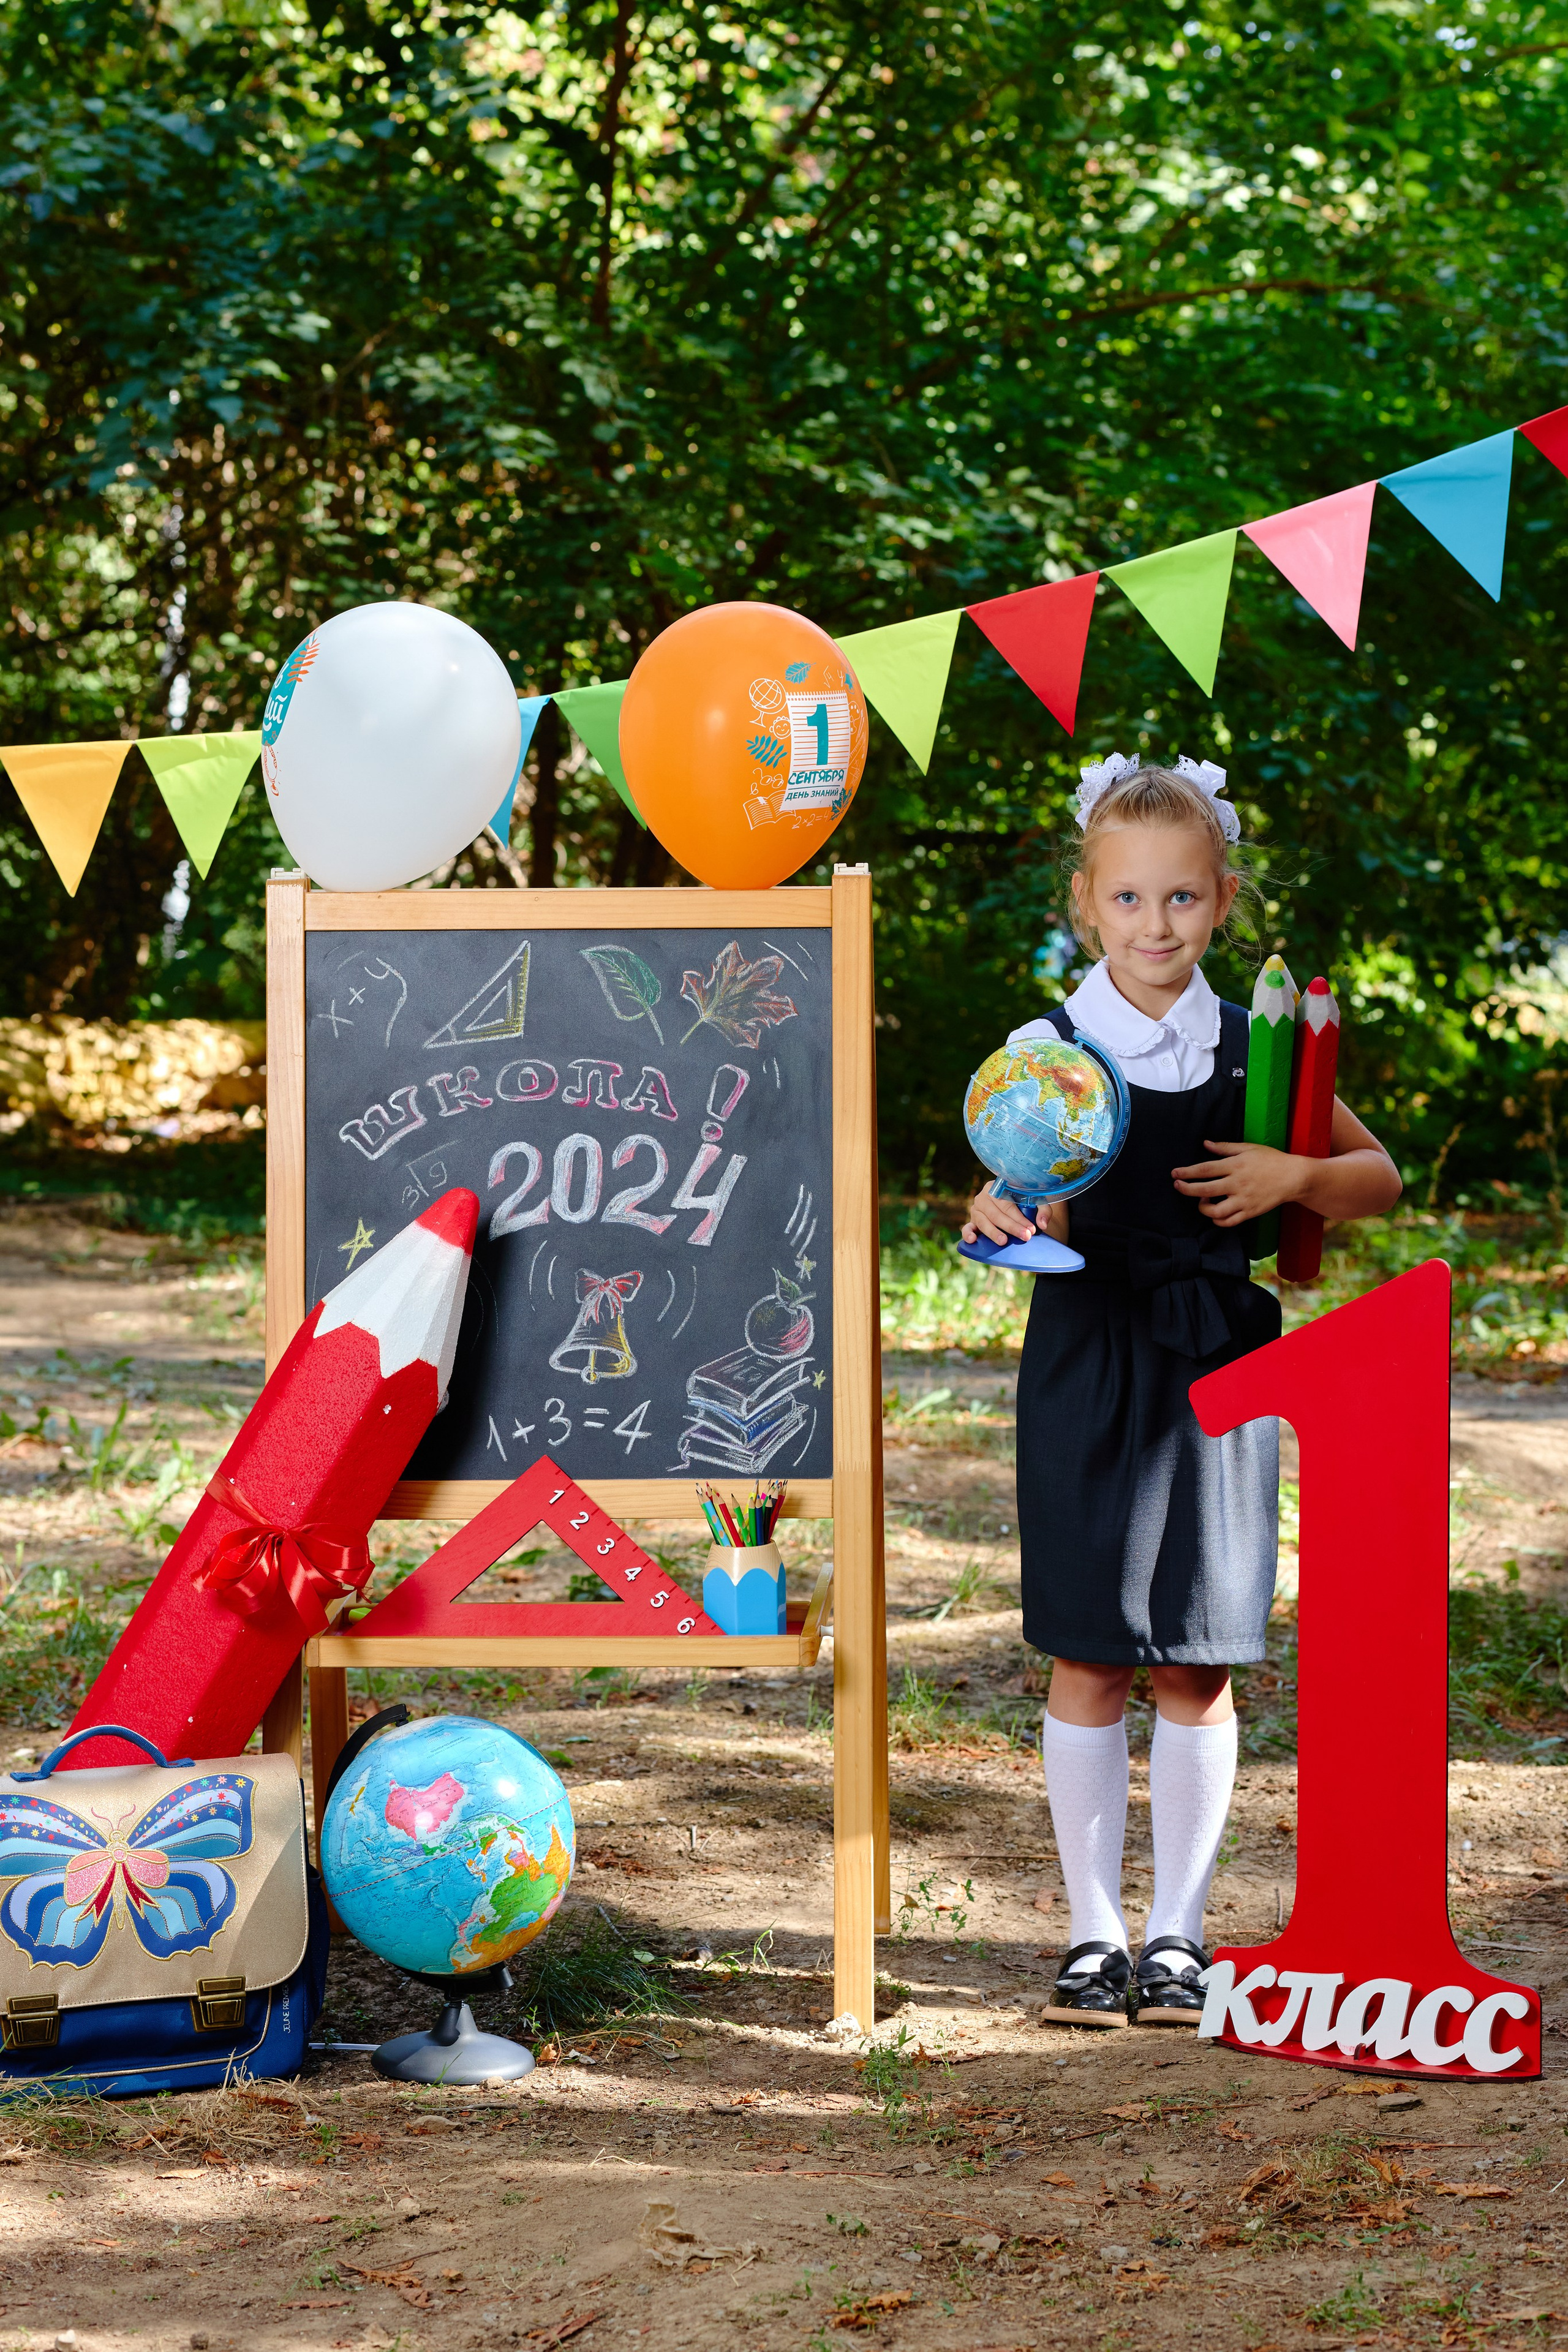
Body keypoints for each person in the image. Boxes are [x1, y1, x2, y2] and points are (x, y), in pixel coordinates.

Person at [963, 753, 1402, 2024]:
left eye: (1181, 901)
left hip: (1219, 1355)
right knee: (1089, 1652)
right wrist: (991, 1208)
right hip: (1083, 1355)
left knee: (1195, 1661)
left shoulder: (1255, 1050)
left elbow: (1371, 1178)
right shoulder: (1047, 1052)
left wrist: (1292, 1179)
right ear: (1083, 904)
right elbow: (995, 1194)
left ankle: (1177, 1935)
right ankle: (1092, 1933)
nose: (1154, 927)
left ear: (1219, 903)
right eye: (1127, 902)